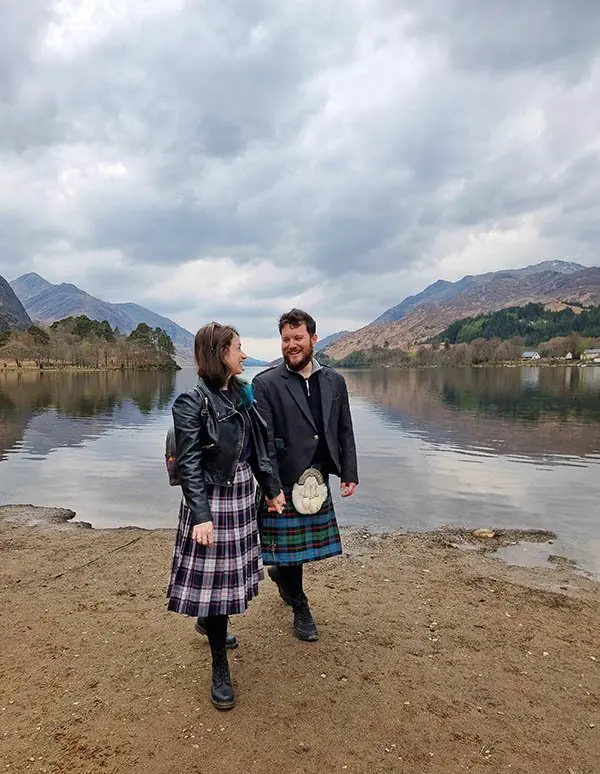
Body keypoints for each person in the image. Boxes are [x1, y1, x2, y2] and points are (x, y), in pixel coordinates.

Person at [167, 322, 282, 710]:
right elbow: (190, 464)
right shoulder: (191, 402)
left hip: (240, 498)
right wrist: (200, 515)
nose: (244, 354)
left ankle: (210, 625)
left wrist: (271, 489)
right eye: (237, 348)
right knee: (217, 590)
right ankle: (219, 665)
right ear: (220, 354)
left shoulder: (241, 395)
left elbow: (257, 449)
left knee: (229, 582)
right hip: (211, 504)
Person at [253, 309, 358, 642]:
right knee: (292, 553)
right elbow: (263, 443)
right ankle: (300, 607)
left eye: (297, 338)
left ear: (313, 339)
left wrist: (348, 472)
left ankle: (281, 576)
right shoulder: (266, 383)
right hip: (283, 479)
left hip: (318, 477)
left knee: (293, 553)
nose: (291, 345)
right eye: (285, 339)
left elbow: (344, 430)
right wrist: (270, 487)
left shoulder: (334, 380)